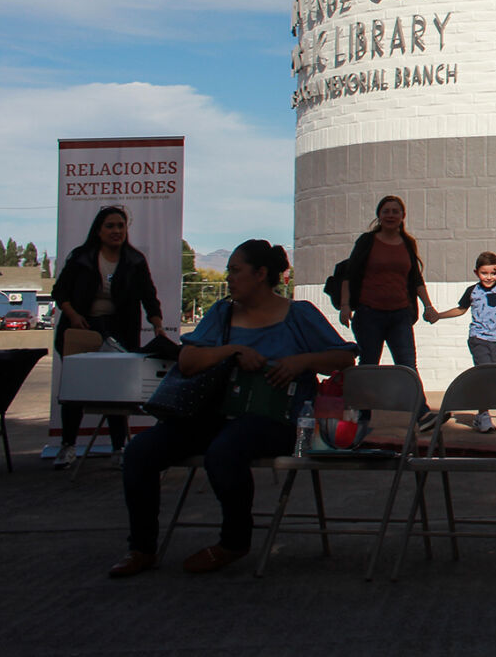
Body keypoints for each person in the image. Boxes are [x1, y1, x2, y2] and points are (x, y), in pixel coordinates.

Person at [108, 240, 355, 577]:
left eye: (235, 270)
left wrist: (302, 361)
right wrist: (233, 350)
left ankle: (234, 541)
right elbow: (188, 360)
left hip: (277, 420)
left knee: (225, 452)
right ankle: (141, 548)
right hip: (215, 413)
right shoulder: (222, 313)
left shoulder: (298, 314)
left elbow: (343, 358)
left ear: (261, 274)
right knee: (139, 452)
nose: (229, 278)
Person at [50, 205, 165, 468]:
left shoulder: (134, 260)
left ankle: (119, 447)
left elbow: (149, 295)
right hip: (82, 331)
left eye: (121, 226)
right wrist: (74, 315)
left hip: (118, 331)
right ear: (99, 231)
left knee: (118, 391)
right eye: (110, 226)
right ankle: (68, 446)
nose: (116, 231)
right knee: (75, 389)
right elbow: (60, 292)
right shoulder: (81, 257)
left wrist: (157, 323)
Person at [337, 195, 441, 428]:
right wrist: (345, 306)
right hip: (369, 313)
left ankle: (421, 414)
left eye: (395, 211)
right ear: (379, 215)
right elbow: (349, 274)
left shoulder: (407, 243)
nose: (391, 215)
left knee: (407, 365)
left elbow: (415, 278)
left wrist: (428, 306)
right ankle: (361, 419)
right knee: (368, 366)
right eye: (386, 211)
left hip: (399, 314)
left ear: (403, 216)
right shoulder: (367, 241)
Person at [428, 251, 496, 432]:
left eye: (493, 273)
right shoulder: (472, 291)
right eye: (484, 273)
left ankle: (480, 412)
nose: (488, 277)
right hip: (478, 338)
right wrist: (439, 316)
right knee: (486, 375)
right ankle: (483, 415)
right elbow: (460, 309)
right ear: (476, 273)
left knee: (493, 377)